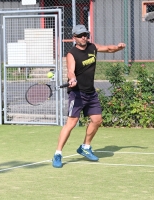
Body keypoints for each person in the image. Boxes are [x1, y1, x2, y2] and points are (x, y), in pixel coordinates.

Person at [52, 24, 126, 168]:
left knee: (97, 120)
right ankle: (58, 154)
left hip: (90, 92)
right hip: (77, 94)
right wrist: (72, 78)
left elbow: (108, 49)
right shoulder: (72, 54)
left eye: (85, 34)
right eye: (80, 35)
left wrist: (118, 47)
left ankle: (85, 147)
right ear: (74, 38)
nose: (83, 37)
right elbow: (70, 71)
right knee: (71, 124)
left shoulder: (92, 47)